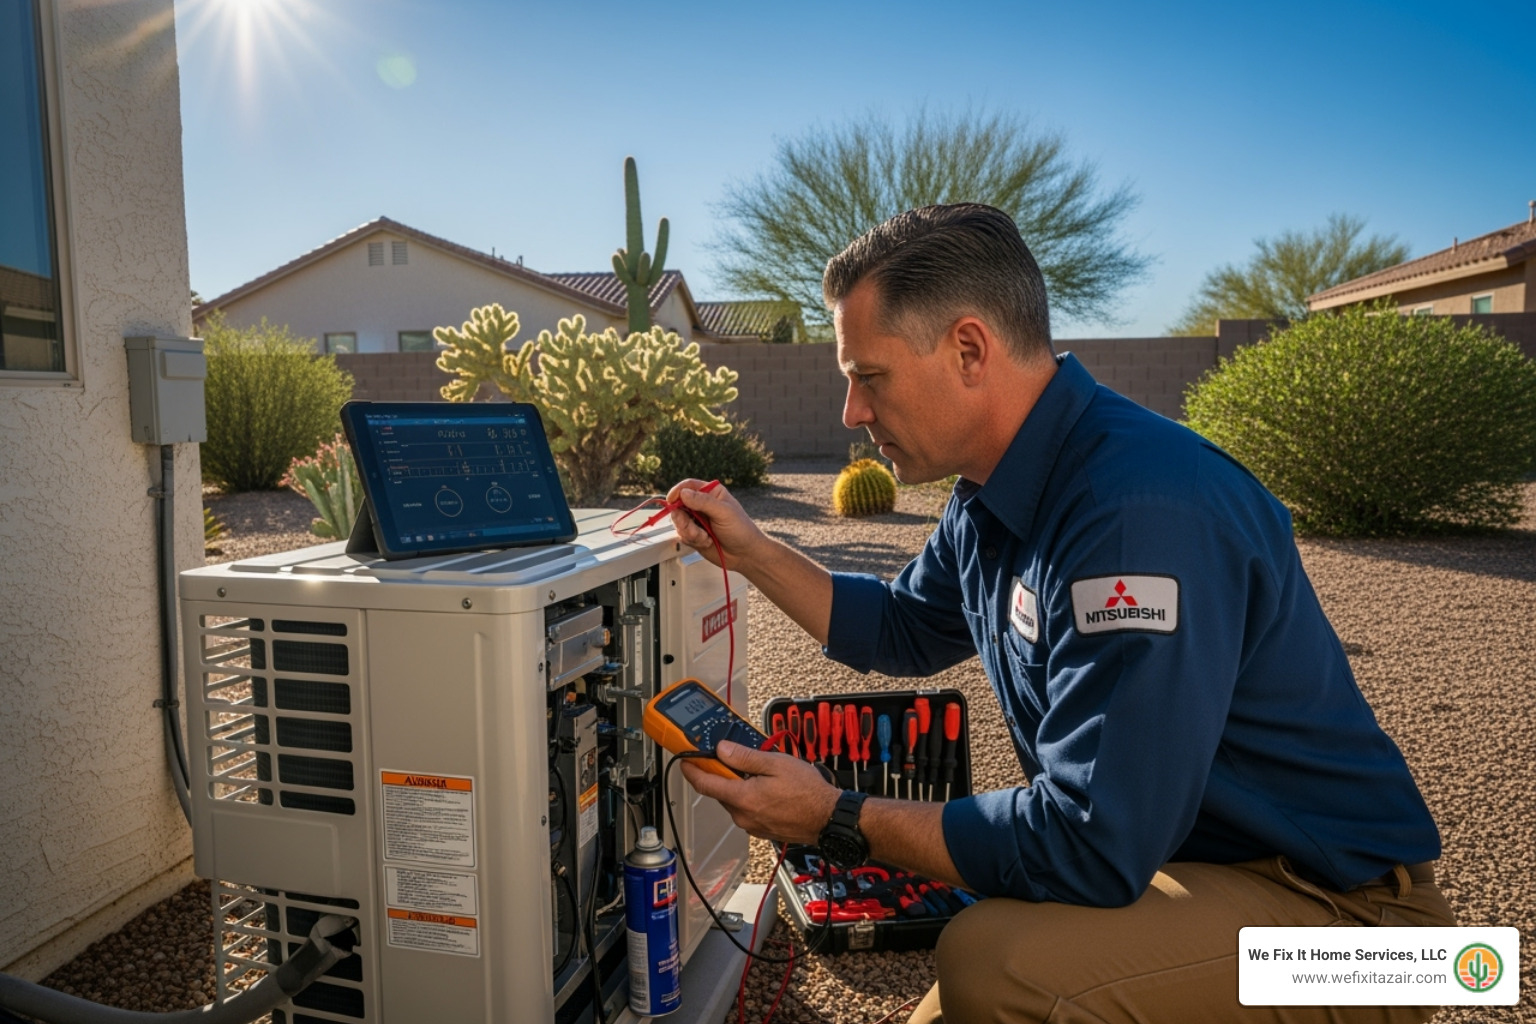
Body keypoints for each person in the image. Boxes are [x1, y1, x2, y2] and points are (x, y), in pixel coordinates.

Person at [668, 204, 1453, 1024]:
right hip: (1200, 869)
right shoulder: (992, 495)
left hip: (1364, 934)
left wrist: (837, 817)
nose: (851, 414)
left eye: (868, 376)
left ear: (969, 350)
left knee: (995, 965)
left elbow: (1088, 840)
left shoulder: (1133, 513)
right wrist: (751, 550)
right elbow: (900, 626)